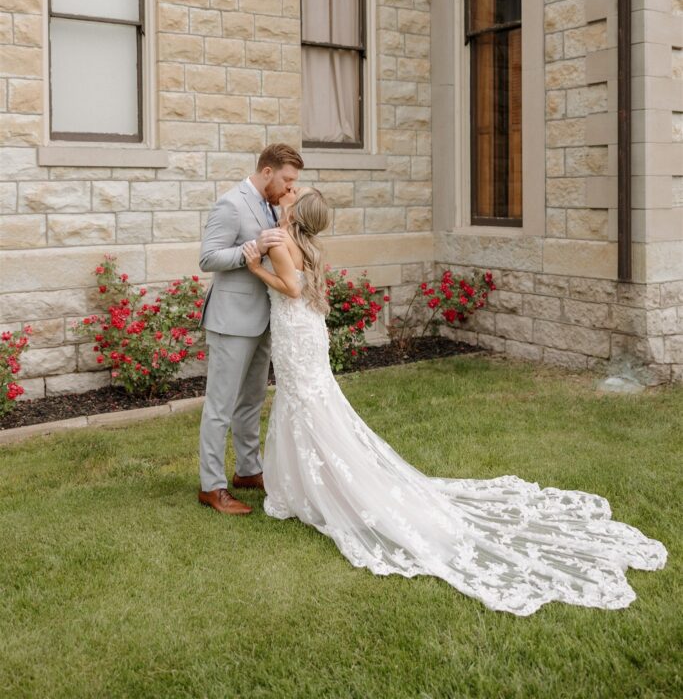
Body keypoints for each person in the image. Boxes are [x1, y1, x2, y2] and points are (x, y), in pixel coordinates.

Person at [242, 188, 667, 616]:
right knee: (307, 405)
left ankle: (323, 488)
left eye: (294, 195)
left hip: (296, 329)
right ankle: (306, 485)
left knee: (307, 406)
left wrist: (255, 268)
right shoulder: (302, 241)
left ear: (296, 214)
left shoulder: (280, 241)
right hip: (305, 332)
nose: (288, 194)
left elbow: (292, 289)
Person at [197, 143, 303, 515]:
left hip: (264, 317)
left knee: (252, 401)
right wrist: (253, 247)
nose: (290, 188)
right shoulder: (230, 203)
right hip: (231, 320)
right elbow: (208, 257)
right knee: (219, 406)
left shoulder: (275, 204)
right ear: (268, 171)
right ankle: (212, 486)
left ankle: (248, 469)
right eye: (287, 179)